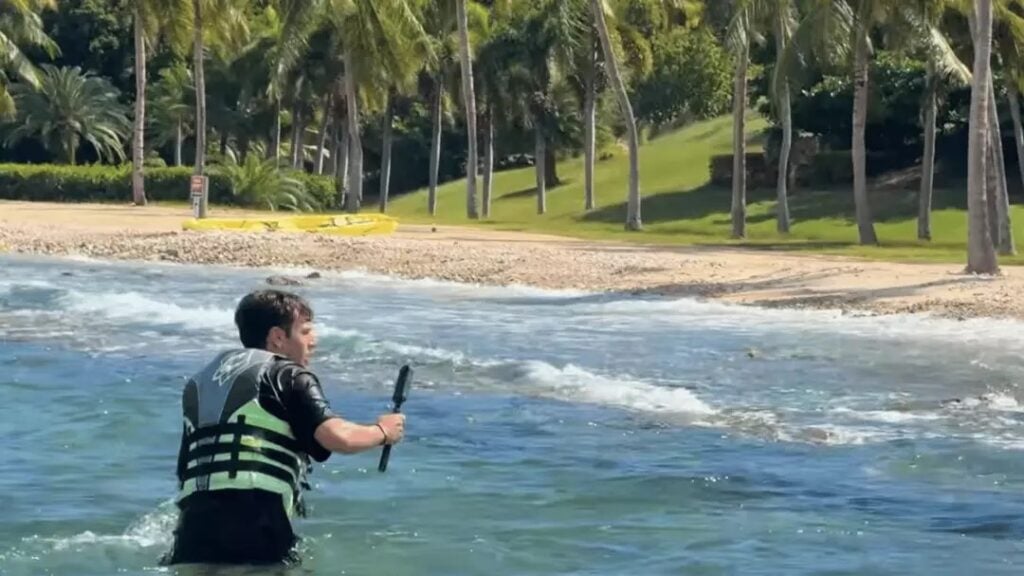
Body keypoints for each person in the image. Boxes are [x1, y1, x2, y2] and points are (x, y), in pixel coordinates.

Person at [160, 289, 406, 566]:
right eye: (305, 331)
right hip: (256, 521)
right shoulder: (287, 374)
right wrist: (383, 431)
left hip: (192, 528)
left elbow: (184, 470)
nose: (314, 341)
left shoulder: (198, 384)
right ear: (277, 337)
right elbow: (338, 437)